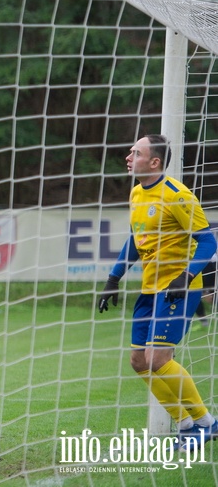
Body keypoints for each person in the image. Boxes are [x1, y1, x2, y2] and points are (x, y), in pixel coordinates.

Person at [97, 134, 218, 453]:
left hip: (179, 289)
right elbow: (136, 240)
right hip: (149, 288)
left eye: (136, 152)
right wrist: (114, 278)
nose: (128, 156)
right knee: (139, 361)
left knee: (158, 358)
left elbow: (208, 242)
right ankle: (185, 424)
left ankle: (206, 423)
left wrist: (186, 275)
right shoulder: (137, 193)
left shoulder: (178, 195)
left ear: (155, 162)